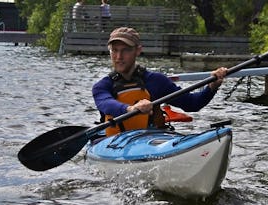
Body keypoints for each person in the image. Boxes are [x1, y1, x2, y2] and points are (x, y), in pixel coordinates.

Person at [92, 27, 228, 136]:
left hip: (152, 138)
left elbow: (192, 104)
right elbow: (106, 103)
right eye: (114, 51)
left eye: (125, 50)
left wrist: (212, 86)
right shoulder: (102, 86)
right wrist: (131, 109)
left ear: (138, 50)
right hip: (115, 143)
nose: (118, 57)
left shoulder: (156, 81)